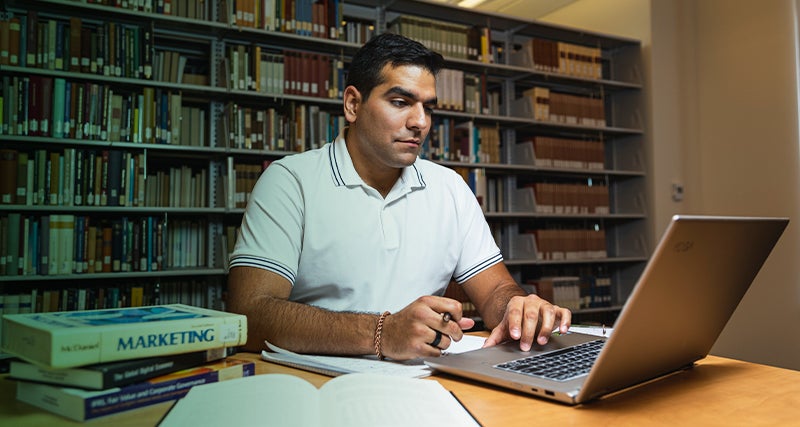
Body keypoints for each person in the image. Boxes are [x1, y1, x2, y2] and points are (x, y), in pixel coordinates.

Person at [227, 33, 571, 361]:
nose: (420, 122)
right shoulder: (290, 183)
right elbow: (250, 313)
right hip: (318, 387)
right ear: (352, 104)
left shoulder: (450, 188)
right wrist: (382, 333)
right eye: (400, 102)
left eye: (428, 108)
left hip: (426, 383)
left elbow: (497, 291)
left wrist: (518, 308)